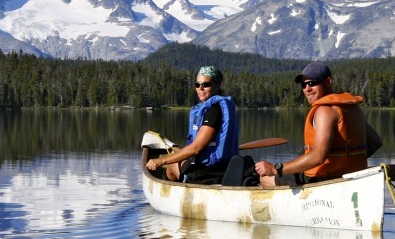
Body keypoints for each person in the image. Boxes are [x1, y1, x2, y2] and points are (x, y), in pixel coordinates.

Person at [254, 62, 382, 188]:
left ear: (328, 82)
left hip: (323, 177)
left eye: (312, 83)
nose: (307, 89)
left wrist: (275, 169)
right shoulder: (352, 108)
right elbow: (376, 142)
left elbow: (318, 156)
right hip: (351, 175)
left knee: (265, 178)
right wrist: (346, 163)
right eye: (303, 85)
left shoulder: (324, 111)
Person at [146, 66, 240, 183]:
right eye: (197, 85)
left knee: (171, 166)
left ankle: (172, 192)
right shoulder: (214, 108)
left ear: (217, 85)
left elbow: (195, 148)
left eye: (205, 84)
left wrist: (161, 161)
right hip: (222, 165)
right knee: (176, 162)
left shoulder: (214, 111)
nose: (200, 88)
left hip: (208, 170)